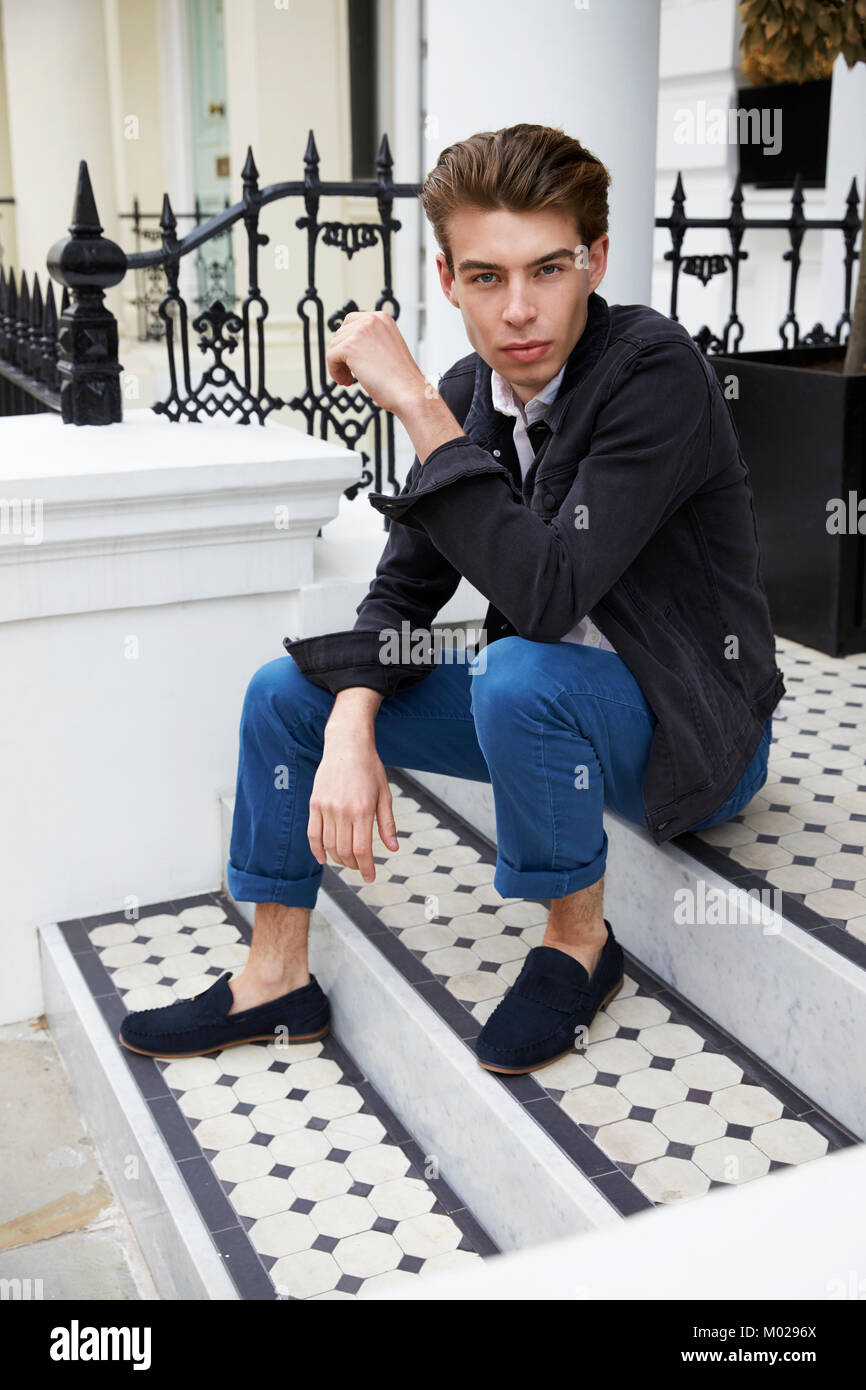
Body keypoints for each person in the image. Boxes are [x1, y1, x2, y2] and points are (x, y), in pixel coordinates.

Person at [119, 123, 784, 1074]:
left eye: (547, 270)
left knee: (518, 670)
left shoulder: (656, 375)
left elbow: (550, 594)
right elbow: (402, 591)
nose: (519, 310)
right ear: (448, 279)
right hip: (549, 713)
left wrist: (420, 410)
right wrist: (351, 722)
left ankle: (577, 946)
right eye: (486, 277)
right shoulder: (475, 394)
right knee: (287, 692)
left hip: (692, 728)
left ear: (595, 261)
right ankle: (276, 978)